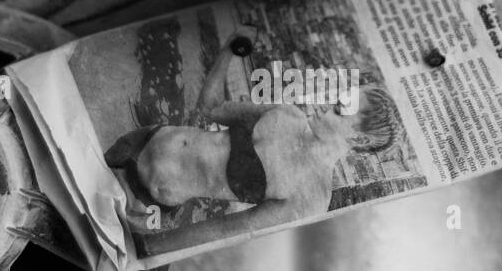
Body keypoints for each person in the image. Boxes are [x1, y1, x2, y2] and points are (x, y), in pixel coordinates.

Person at [104, 31, 400, 255]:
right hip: (139, 140)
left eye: (341, 108)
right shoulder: (288, 115)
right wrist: (227, 52)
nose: (329, 102)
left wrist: (152, 248)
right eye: (340, 96)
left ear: (358, 138)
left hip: (145, 196)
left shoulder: (311, 198)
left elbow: (230, 228)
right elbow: (212, 108)